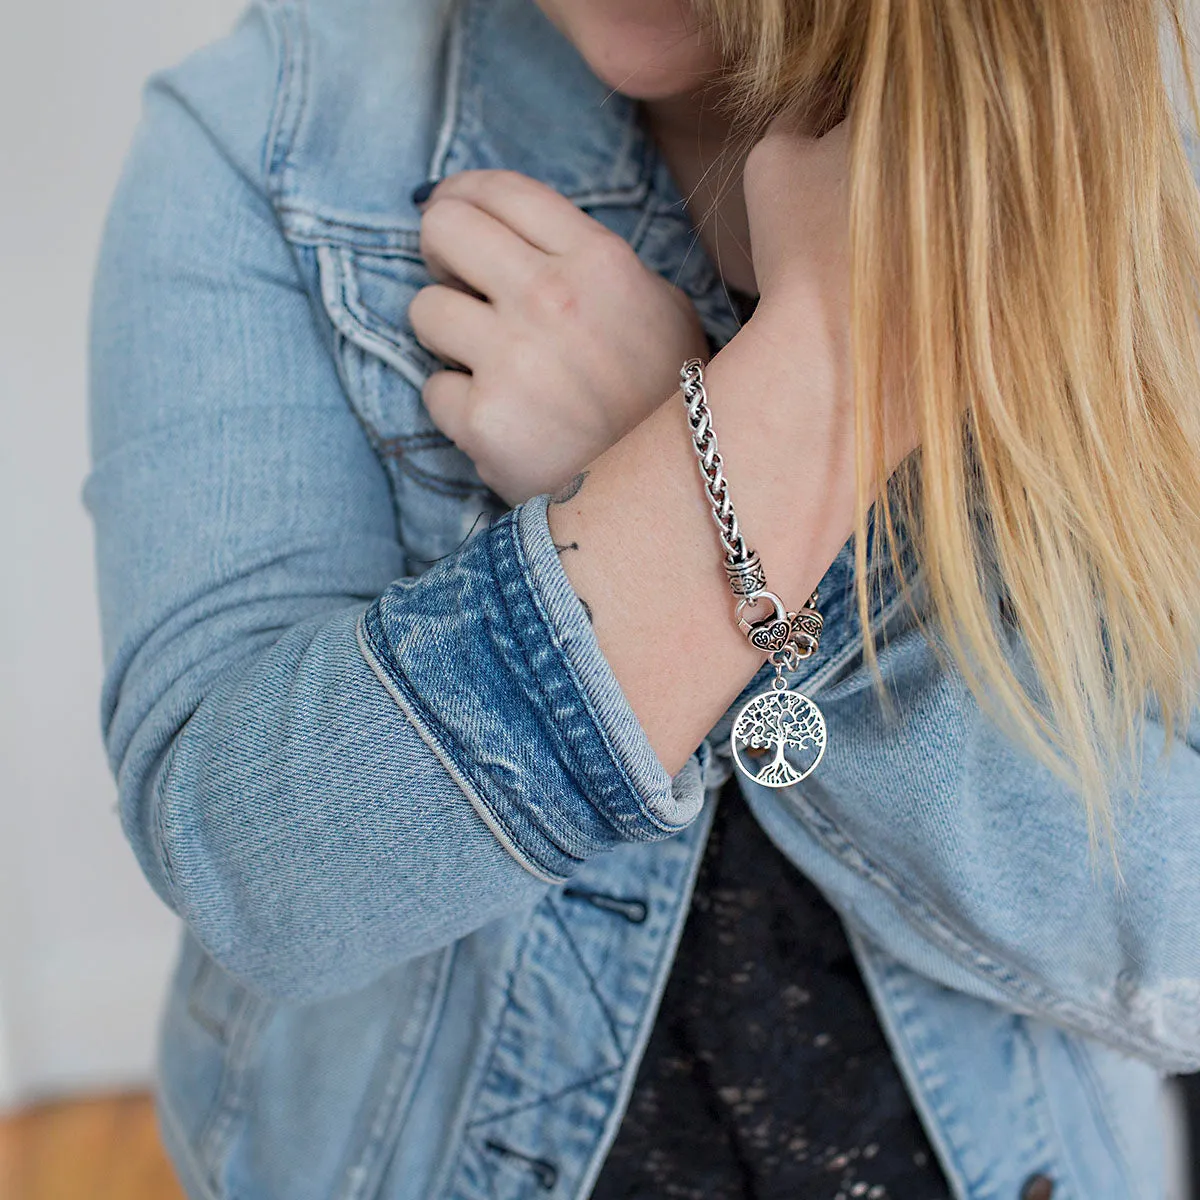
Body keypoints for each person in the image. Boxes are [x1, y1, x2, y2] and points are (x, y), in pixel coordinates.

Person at [84, 0, 1200, 1196]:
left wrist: (684, 445)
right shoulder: (284, 130)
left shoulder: (1129, 156)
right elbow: (259, 876)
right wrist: (791, 402)